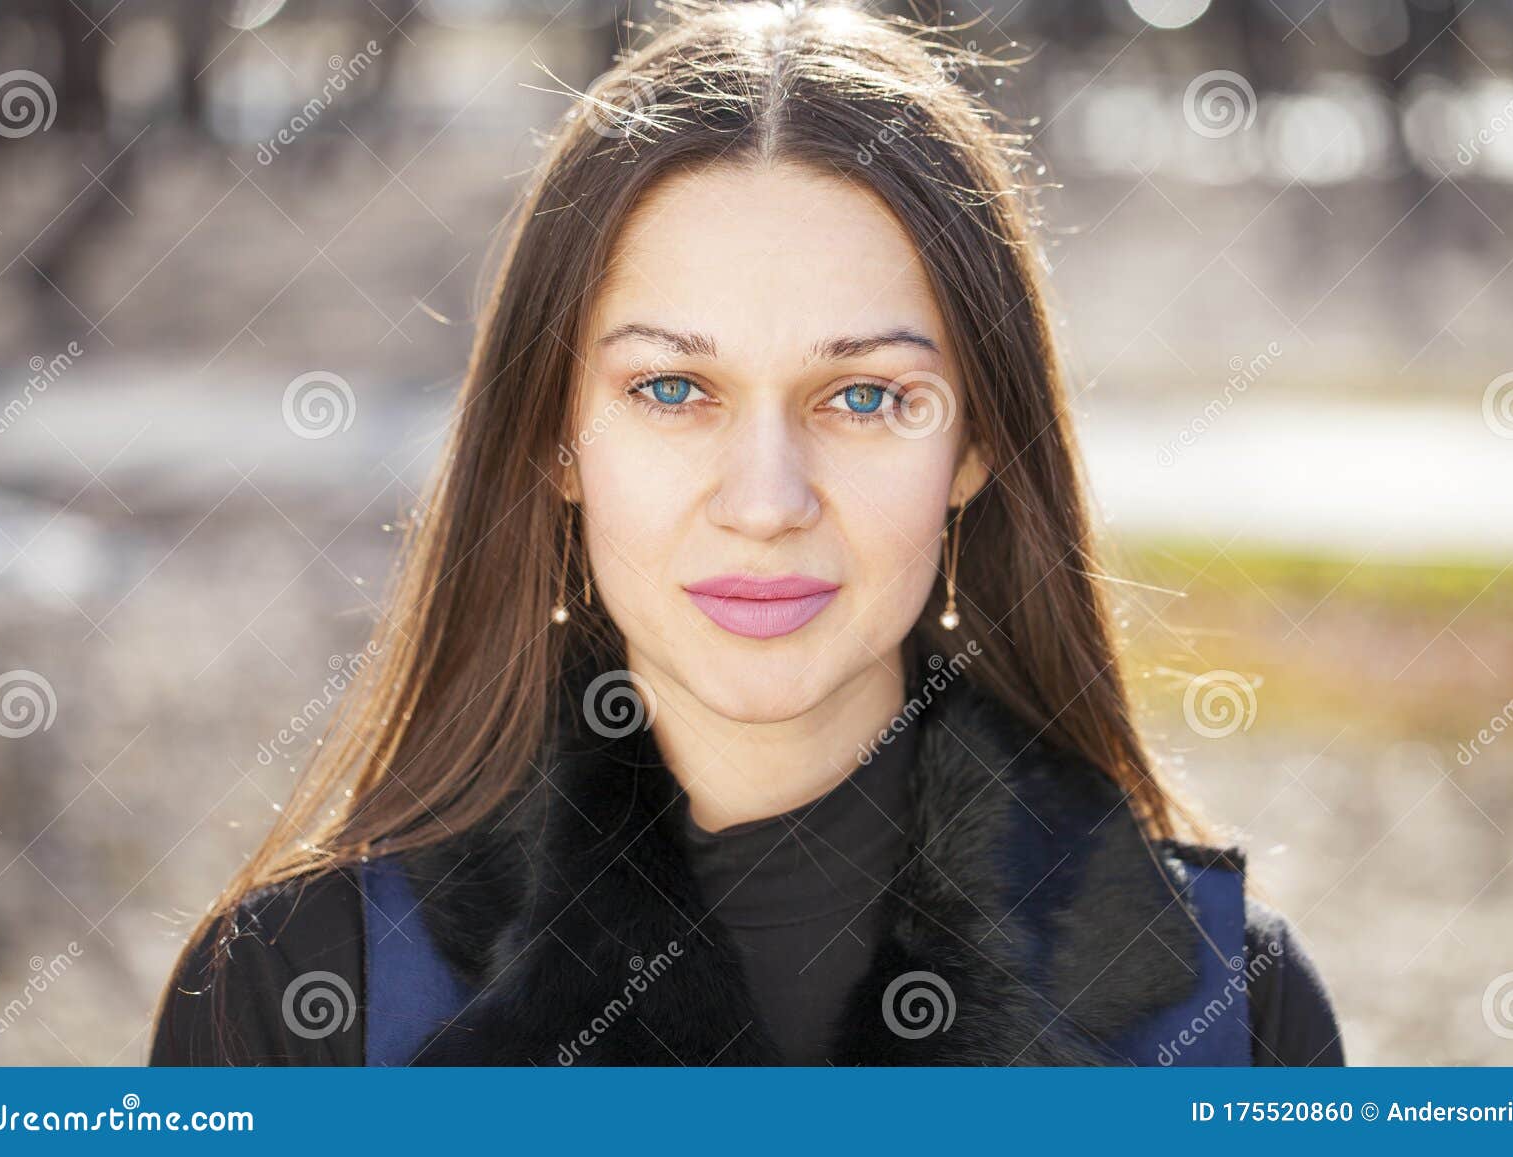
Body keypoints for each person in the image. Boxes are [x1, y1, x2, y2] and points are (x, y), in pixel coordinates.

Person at [151, 0, 1342, 1067]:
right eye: (672, 389)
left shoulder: (1234, 1014)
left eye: (865, 396)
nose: (765, 500)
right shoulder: (299, 991)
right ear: (555, 438)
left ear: (975, 444)